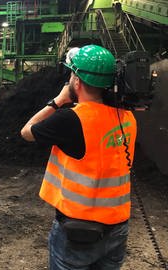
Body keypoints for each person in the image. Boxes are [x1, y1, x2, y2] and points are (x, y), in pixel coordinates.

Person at [20, 45, 137, 270]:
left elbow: (27, 132)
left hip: (78, 232)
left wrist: (58, 100)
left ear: (77, 81)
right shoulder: (128, 119)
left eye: (72, 75)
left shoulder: (70, 120)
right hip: (117, 229)